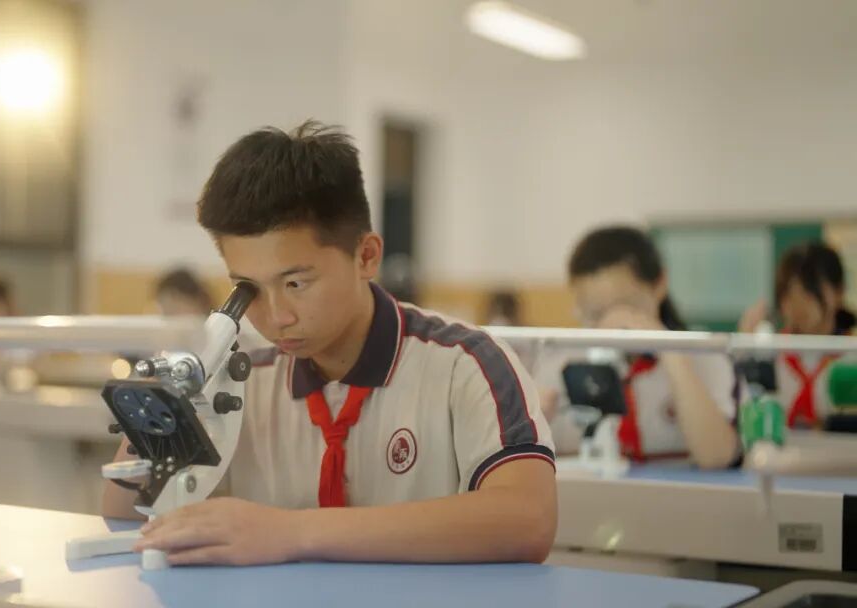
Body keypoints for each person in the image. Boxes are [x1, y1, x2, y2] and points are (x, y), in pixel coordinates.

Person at [103, 121, 556, 566]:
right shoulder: (235, 375)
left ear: (366, 256)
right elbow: (124, 518)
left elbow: (527, 519)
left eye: (297, 282)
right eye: (249, 289)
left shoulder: (467, 364)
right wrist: (157, 420)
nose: (278, 316)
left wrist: (291, 532)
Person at [539, 226, 740, 469]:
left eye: (626, 308)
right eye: (594, 314)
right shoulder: (560, 360)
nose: (611, 325)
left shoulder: (705, 355)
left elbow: (717, 457)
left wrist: (671, 354)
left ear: (659, 285)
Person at [739, 242, 856, 428]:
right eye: (788, 295)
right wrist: (743, 346)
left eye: (809, 293)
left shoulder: (851, 354)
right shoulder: (770, 354)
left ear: (839, 292)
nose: (798, 306)